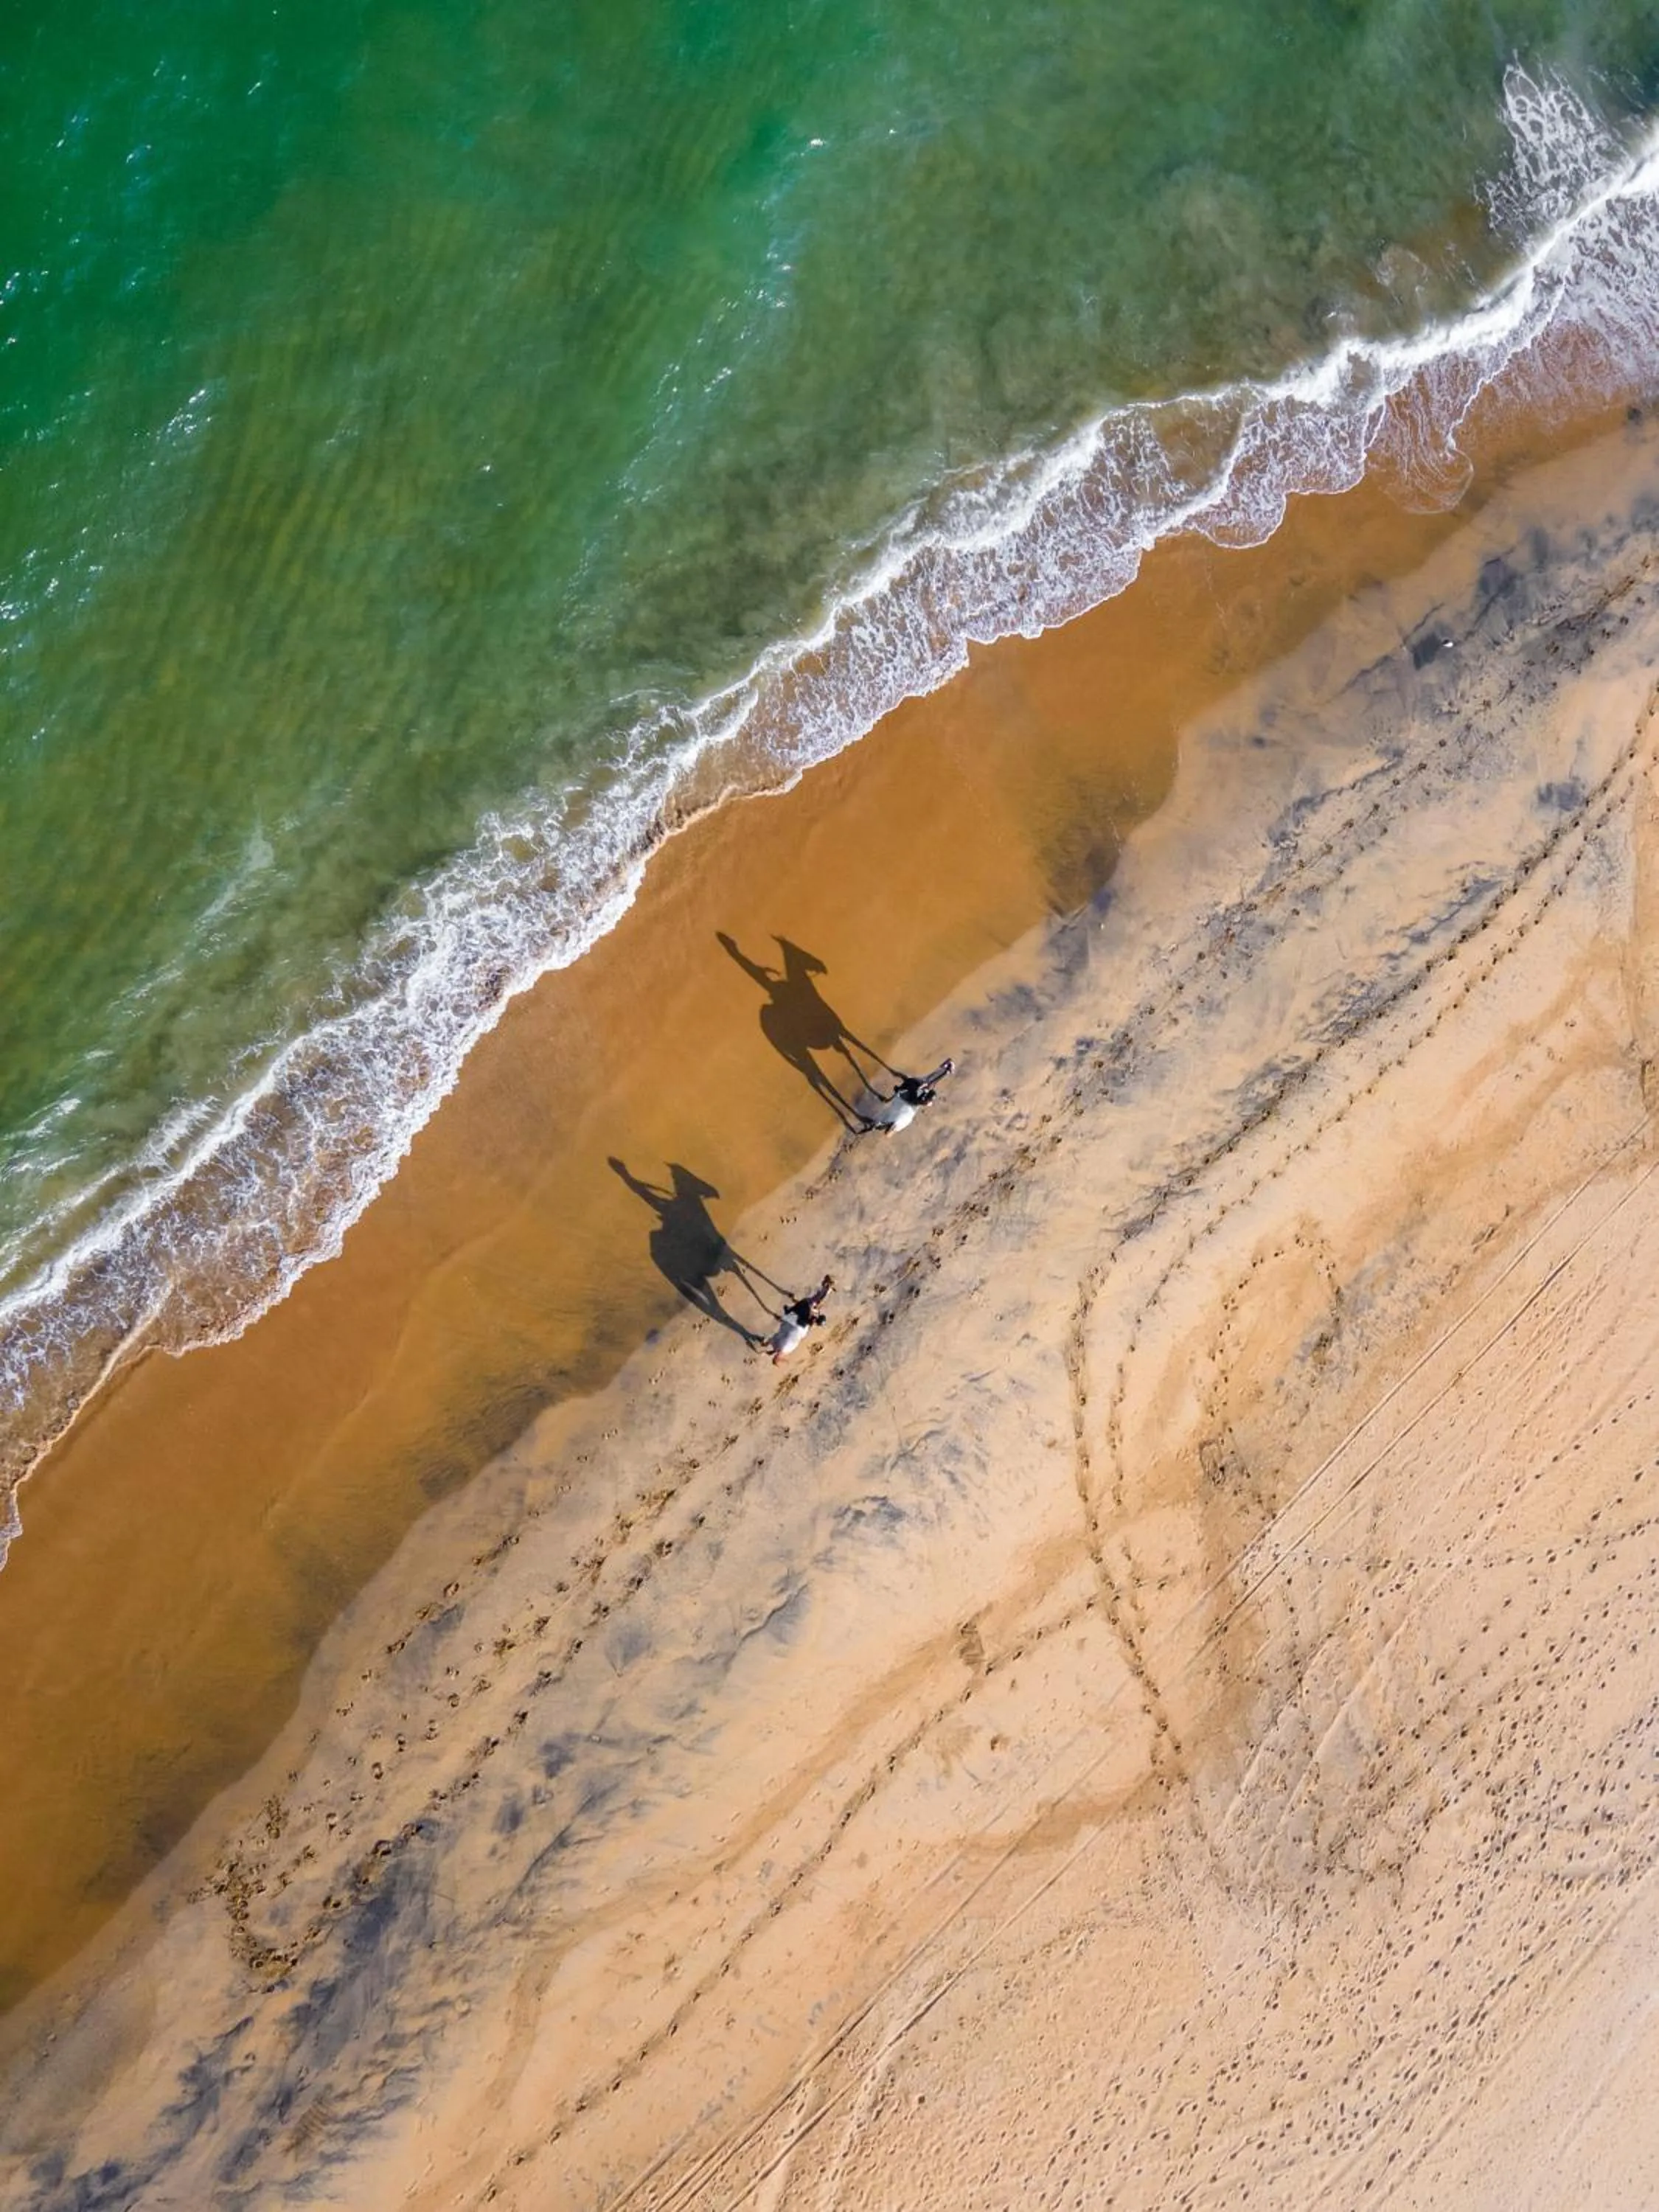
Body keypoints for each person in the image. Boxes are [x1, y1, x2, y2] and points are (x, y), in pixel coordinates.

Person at [860, 1057, 955, 1135]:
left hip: (910, 1087)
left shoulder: (911, 1108)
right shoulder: (904, 1116)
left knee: (929, 1081)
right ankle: (947, 1070)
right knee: (930, 1081)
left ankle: (946, 1070)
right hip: (908, 1090)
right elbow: (888, 1134)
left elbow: (888, 1133)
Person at [768, 1274, 834, 1363]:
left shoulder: (782, 1347)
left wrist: (781, 1359)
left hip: (797, 1322)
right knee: (814, 1303)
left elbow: (776, 1356)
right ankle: (827, 1288)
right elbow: (775, 1348)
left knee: (814, 1302)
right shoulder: (780, 1345)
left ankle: (827, 1288)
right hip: (794, 1320)